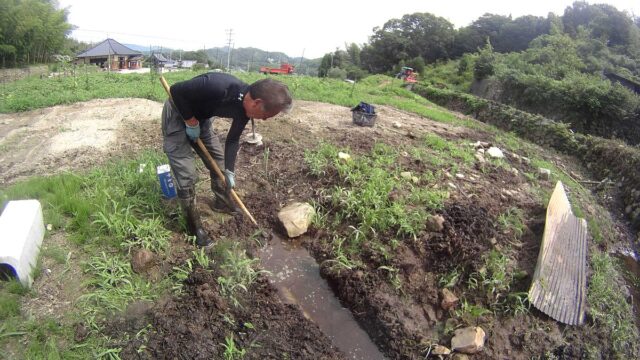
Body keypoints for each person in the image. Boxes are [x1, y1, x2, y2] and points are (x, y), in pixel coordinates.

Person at [162, 73, 292, 248]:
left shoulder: (245, 111)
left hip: (201, 118)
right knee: (187, 174)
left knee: (219, 163)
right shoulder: (217, 85)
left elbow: (232, 140)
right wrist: (190, 121)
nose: (265, 119)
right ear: (257, 103)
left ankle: (221, 202)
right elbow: (176, 90)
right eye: (267, 115)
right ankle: (194, 227)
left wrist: (229, 171)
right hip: (178, 112)